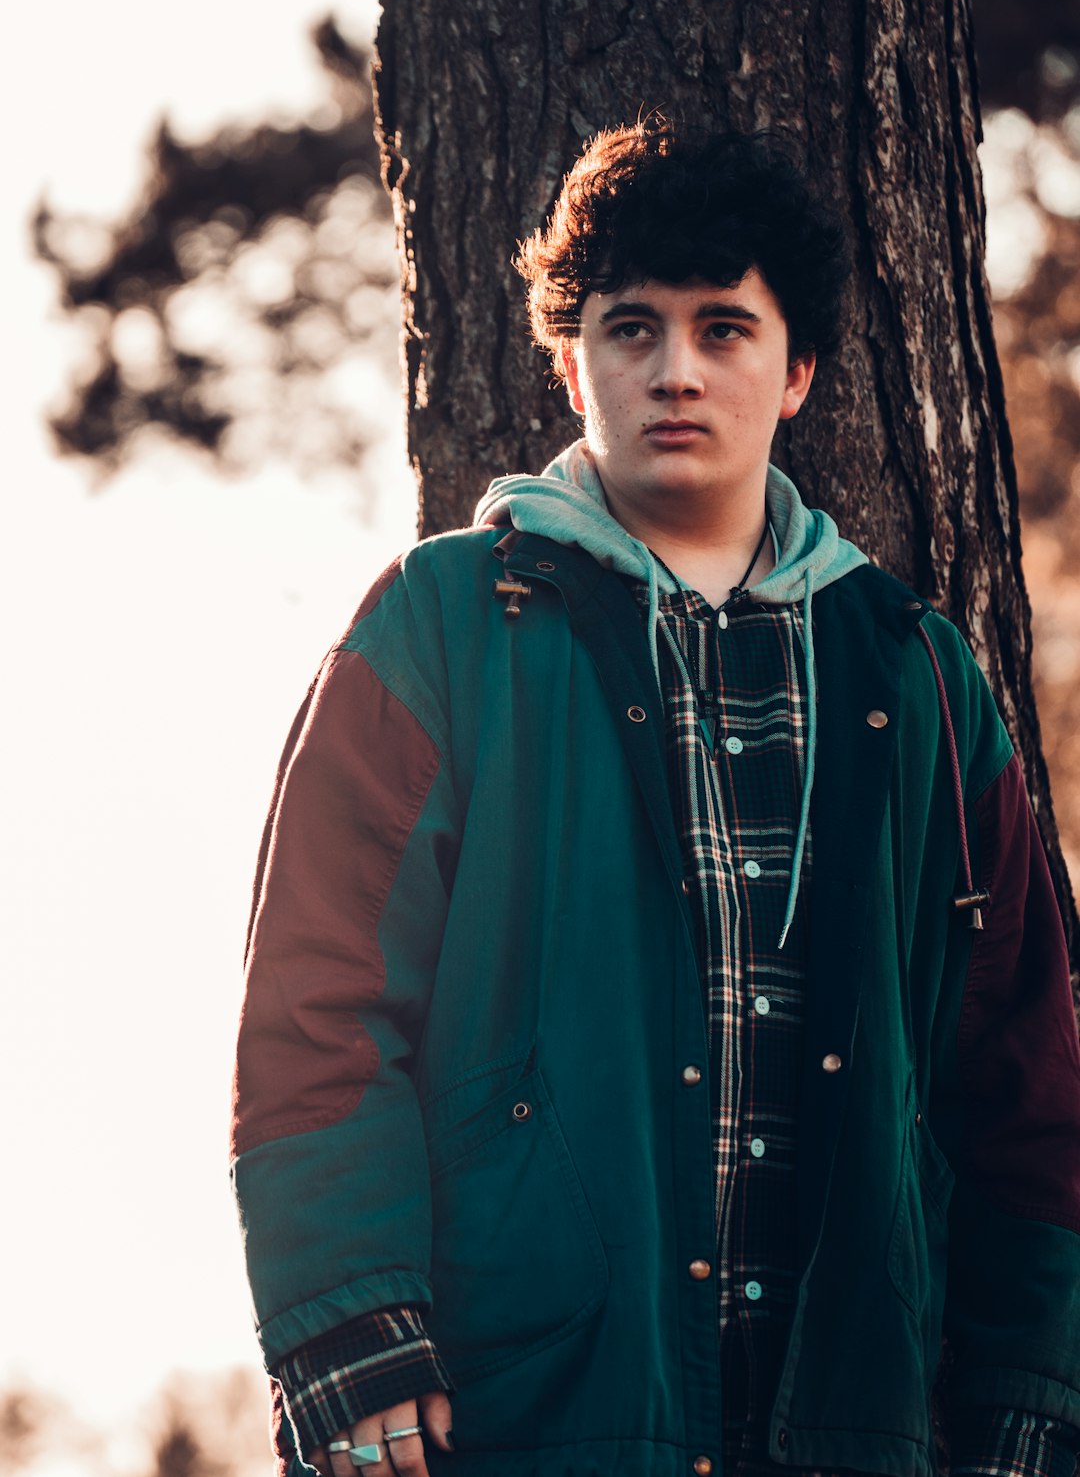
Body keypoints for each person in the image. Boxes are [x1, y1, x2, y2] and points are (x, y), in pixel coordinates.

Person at [231, 122, 1080, 1477]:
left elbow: (1025, 1071)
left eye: (724, 329)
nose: (675, 371)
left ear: (797, 371)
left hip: (862, 1416)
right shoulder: (445, 629)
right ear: (574, 362)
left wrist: (1034, 1385)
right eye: (631, 328)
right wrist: (348, 1329)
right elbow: (317, 1005)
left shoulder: (915, 674)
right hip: (521, 1415)